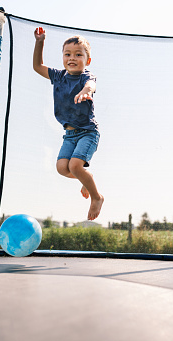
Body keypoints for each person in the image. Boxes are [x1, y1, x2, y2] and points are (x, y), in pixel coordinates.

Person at [33, 27, 104, 221]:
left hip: (87, 132)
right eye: (68, 54)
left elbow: (91, 85)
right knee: (62, 168)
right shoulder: (58, 76)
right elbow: (38, 66)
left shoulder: (85, 78)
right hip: (69, 134)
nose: (72, 58)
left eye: (78, 54)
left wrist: (86, 92)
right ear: (63, 57)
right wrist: (40, 42)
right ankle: (86, 180)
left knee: (74, 165)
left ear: (87, 60)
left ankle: (97, 197)